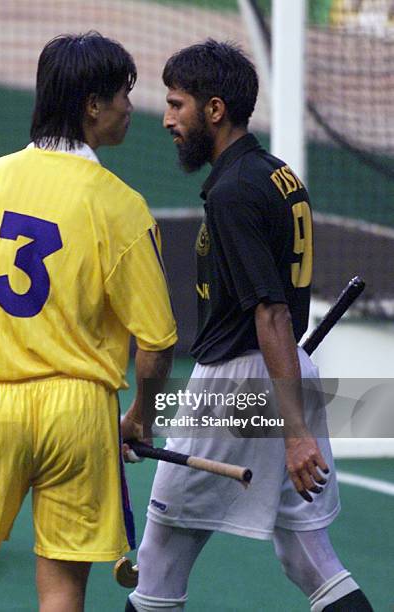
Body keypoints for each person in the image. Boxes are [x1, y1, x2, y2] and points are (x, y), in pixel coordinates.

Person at [0, 31, 176, 612]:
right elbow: (155, 346)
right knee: (61, 590)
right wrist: (141, 417)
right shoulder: (123, 206)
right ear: (91, 106)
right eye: (122, 94)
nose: (132, 107)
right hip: (80, 414)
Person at [125, 40, 373, 612]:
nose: (166, 120)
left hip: (237, 389)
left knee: (159, 557)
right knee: (309, 558)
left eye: (176, 105)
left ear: (215, 110)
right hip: (286, 378)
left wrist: (294, 433)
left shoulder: (234, 192)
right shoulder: (277, 175)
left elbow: (272, 312)